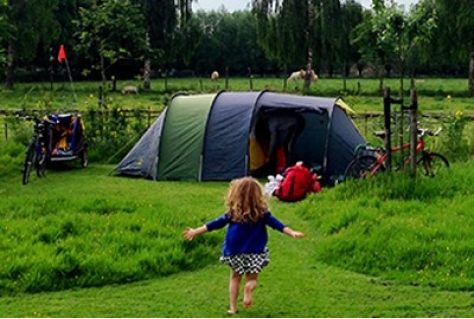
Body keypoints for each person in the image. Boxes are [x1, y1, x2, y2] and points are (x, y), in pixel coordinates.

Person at [182, 177, 305, 314]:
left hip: (235, 252)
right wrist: (291, 232)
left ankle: (233, 308)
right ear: (258, 195)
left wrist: (195, 231)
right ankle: (248, 288)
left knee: (235, 278)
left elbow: (214, 224)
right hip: (255, 252)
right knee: (252, 279)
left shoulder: (233, 213)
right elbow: (277, 224)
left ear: (236, 194)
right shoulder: (262, 213)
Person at [261, 110, 306, 175]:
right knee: (285, 146)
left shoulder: (271, 124)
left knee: (288, 146)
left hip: (297, 122)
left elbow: (273, 140)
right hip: (293, 120)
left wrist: (269, 155)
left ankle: (292, 168)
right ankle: (289, 167)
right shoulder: (270, 119)